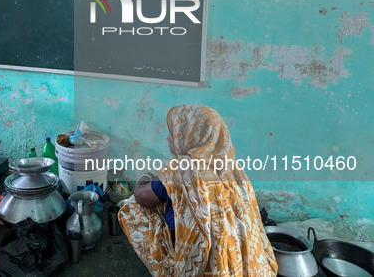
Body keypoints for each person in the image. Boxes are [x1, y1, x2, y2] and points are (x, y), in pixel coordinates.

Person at [118, 104, 278, 276]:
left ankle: (171, 264)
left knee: (132, 207)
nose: (168, 138)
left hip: (202, 264)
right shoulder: (233, 167)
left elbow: (141, 196)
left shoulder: (181, 170)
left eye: (174, 133)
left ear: (191, 137)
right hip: (241, 258)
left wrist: (145, 176)